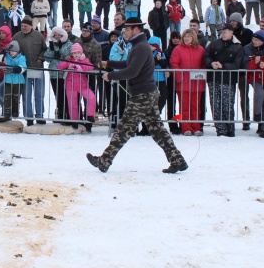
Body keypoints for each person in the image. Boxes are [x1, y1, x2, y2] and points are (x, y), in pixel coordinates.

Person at [87, 17, 188, 174]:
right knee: (157, 130)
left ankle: (104, 160)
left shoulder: (140, 47)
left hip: (142, 95)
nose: (124, 32)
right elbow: (129, 64)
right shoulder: (139, 46)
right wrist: (109, 63)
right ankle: (177, 160)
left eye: (127, 29)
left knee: (124, 129)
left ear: (136, 30)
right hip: (147, 93)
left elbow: (132, 71)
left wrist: (111, 76)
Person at [203, 24, 244, 137]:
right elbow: (206, 55)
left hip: (228, 80)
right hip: (213, 79)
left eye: (225, 32)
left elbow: (237, 64)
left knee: (227, 105)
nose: (223, 34)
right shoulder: (214, 43)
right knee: (215, 105)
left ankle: (230, 129)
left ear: (231, 32)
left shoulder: (237, 46)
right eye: (222, 32)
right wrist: (211, 63)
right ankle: (220, 129)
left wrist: (223, 66)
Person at [170, 28, 207, 136]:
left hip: (197, 82)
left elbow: (203, 64)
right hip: (183, 82)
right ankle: (185, 127)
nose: (186, 38)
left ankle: (196, 127)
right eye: (185, 36)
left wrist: (203, 76)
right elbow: (174, 63)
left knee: (196, 106)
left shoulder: (200, 49)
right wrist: (179, 77)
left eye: (188, 36)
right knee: (184, 106)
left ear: (193, 38)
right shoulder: (178, 49)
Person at [243, 30, 264, 138]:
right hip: (254, 77)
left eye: (258, 40)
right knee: (260, 94)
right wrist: (254, 63)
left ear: (263, 41)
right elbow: (244, 64)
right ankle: (257, 114)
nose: (255, 41)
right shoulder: (247, 48)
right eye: (254, 39)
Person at [14, 16, 47, 125]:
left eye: (26, 26)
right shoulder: (17, 37)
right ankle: (28, 117)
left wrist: (40, 58)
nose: (23, 27)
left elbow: (44, 49)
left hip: (38, 69)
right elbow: (12, 51)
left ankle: (39, 115)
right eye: (22, 26)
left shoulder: (38, 35)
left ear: (31, 26)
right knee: (26, 95)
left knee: (39, 94)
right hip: (25, 71)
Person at [57, 42, 97, 131]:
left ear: (81, 53)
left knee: (91, 97)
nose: (76, 55)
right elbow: (59, 66)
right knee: (72, 104)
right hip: (70, 85)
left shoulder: (84, 60)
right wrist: (68, 65)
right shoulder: (69, 60)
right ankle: (74, 120)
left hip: (82, 85)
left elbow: (90, 67)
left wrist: (81, 66)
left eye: (78, 52)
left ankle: (90, 116)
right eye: (74, 53)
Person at [43, 26, 73, 122]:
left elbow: (69, 56)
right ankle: (60, 115)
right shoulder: (52, 45)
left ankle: (68, 115)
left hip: (65, 74)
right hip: (54, 74)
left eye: (59, 35)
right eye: (55, 35)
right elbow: (47, 58)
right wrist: (52, 49)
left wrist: (60, 48)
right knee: (58, 96)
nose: (57, 37)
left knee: (66, 95)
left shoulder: (69, 44)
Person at [0, 41, 25, 123]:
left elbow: (23, 67)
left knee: (16, 97)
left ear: (18, 51)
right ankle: (7, 113)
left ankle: (15, 111)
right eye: (10, 51)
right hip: (8, 81)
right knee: (7, 96)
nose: (11, 52)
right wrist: (5, 50)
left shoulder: (21, 57)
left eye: (14, 51)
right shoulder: (7, 57)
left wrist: (16, 69)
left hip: (18, 82)